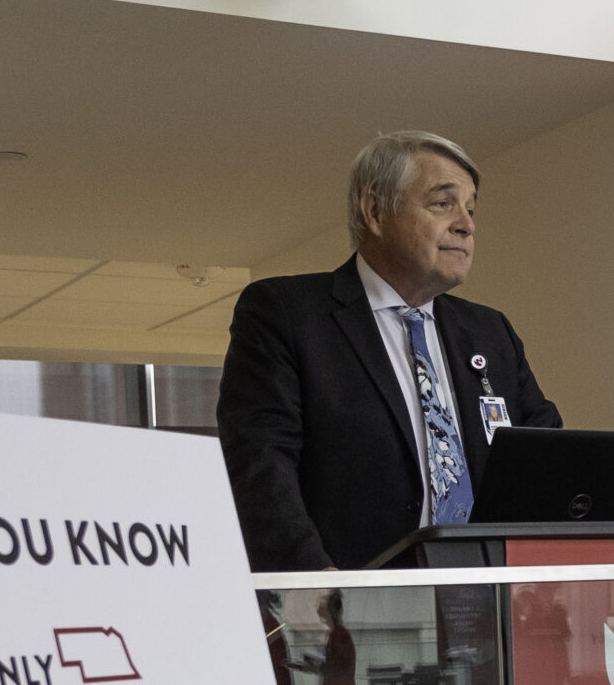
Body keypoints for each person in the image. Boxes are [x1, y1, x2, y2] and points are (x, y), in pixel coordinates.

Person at [217, 130, 563, 571]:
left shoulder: (489, 332)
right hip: (354, 607)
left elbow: (547, 453)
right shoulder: (286, 313)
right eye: (443, 204)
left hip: (491, 599)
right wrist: (312, 580)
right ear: (376, 211)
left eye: (471, 209)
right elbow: (260, 464)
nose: (466, 224)